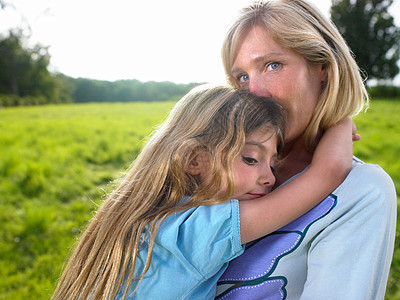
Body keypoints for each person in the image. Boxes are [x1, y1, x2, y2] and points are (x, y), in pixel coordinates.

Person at [52, 84, 355, 300]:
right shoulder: (201, 230)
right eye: (251, 158)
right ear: (194, 160)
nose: (269, 178)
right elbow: (328, 172)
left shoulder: (149, 217)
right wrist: (340, 120)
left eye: (272, 164)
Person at [215, 1, 397, 299]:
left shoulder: (361, 191)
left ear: (323, 67)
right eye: (242, 77)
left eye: (272, 65)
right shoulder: (217, 170)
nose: (254, 93)